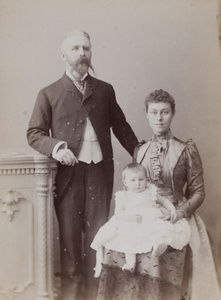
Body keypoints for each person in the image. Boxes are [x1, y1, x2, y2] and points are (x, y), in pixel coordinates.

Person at [27, 30, 138, 300]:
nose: (81, 54)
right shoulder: (49, 93)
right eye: (75, 48)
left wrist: (140, 153)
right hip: (68, 177)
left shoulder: (104, 90)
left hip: (99, 173)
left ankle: (96, 295)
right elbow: (34, 133)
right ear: (63, 55)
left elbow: (121, 128)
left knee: (99, 235)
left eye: (86, 48)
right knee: (70, 241)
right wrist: (57, 148)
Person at [96, 89, 221, 300]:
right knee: (116, 246)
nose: (159, 118)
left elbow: (198, 192)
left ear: (172, 114)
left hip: (176, 213)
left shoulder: (186, 149)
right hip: (145, 212)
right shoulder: (140, 150)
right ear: (147, 114)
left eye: (164, 112)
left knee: (161, 253)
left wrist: (178, 213)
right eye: (154, 112)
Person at [91, 162, 191, 277]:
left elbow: (163, 201)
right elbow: (118, 213)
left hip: (151, 217)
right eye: (133, 180)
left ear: (146, 180)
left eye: (141, 179)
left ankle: (159, 245)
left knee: (160, 229)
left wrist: (172, 209)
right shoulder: (123, 196)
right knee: (128, 239)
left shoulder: (150, 191)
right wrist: (129, 218)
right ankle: (130, 264)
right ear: (125, 182)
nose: (137, 184)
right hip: (132, 221)